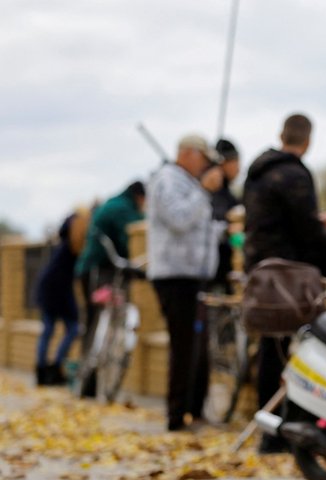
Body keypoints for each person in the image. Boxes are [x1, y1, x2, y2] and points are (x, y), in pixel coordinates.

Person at [243, 113, 326, 453]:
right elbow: (309, 236)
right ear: (307, 140)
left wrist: (318, 222)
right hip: (289, 272)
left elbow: (280, 222)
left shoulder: (257, 173)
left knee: (273, 345)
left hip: (261, 272)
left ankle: (271, 434)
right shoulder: (296, 173)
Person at [146, 134, 225, 431]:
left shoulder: (187, 183)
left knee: (198, 346)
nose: (205, 165)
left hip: (195, 276)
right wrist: (203, 191)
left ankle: (195, 409)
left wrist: (221, 230)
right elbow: (179, 220)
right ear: (188, 154)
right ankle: (176, 415)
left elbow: (197, 228)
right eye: (203, 158)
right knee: (183, 346)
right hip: (175, 277)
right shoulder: (168, 180)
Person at [75, 181, 146, 357]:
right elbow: (132, 236)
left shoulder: (115, 203)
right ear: (140, 197)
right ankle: (91, 369)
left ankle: (88, 369)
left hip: (93, 267)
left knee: (93, 321)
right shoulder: (124, 209)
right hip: (100, 269)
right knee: (98, 319)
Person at [34, 206, 90, 386]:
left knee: (52, 330)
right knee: (68, 328)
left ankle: (46, 370)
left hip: (53, 288)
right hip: (56, 290)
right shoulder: (73, 244)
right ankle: (51, 369)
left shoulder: (66, 242)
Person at [210, 138, 241, 292]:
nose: (239, 168)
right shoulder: (211, 193)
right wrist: (229, 229)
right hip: (215, 269)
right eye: (236, 162)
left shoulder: (228, 194)